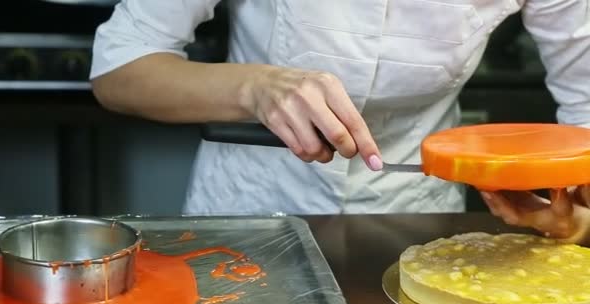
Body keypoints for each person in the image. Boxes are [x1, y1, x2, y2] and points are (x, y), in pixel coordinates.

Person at [90, 1, 590, 239]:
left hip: (419, 218)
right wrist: (254, 88)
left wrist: (574, 218)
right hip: (252, 211)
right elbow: (119, 70)